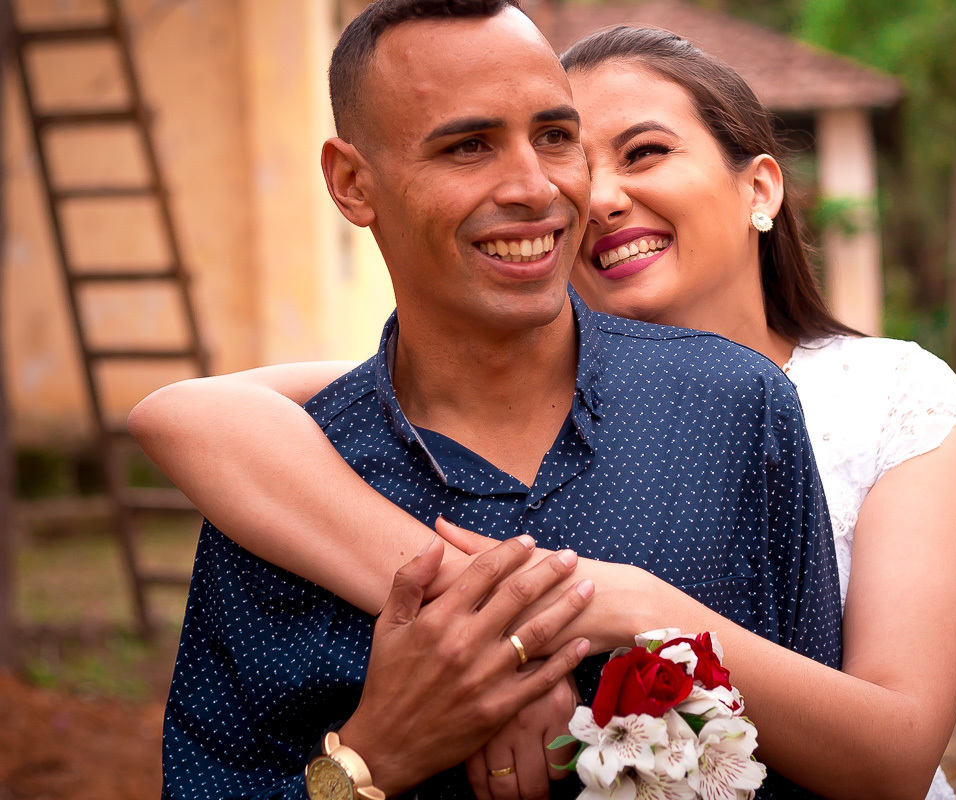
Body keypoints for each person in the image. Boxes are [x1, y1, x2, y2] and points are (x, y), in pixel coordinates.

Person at [143, 3, 844, 800]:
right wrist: (373, 757)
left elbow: (824, 763)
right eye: (468, 146)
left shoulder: (732, 410)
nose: (535, 187)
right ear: (351, 182)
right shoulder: (277, 492)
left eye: (554, 136)